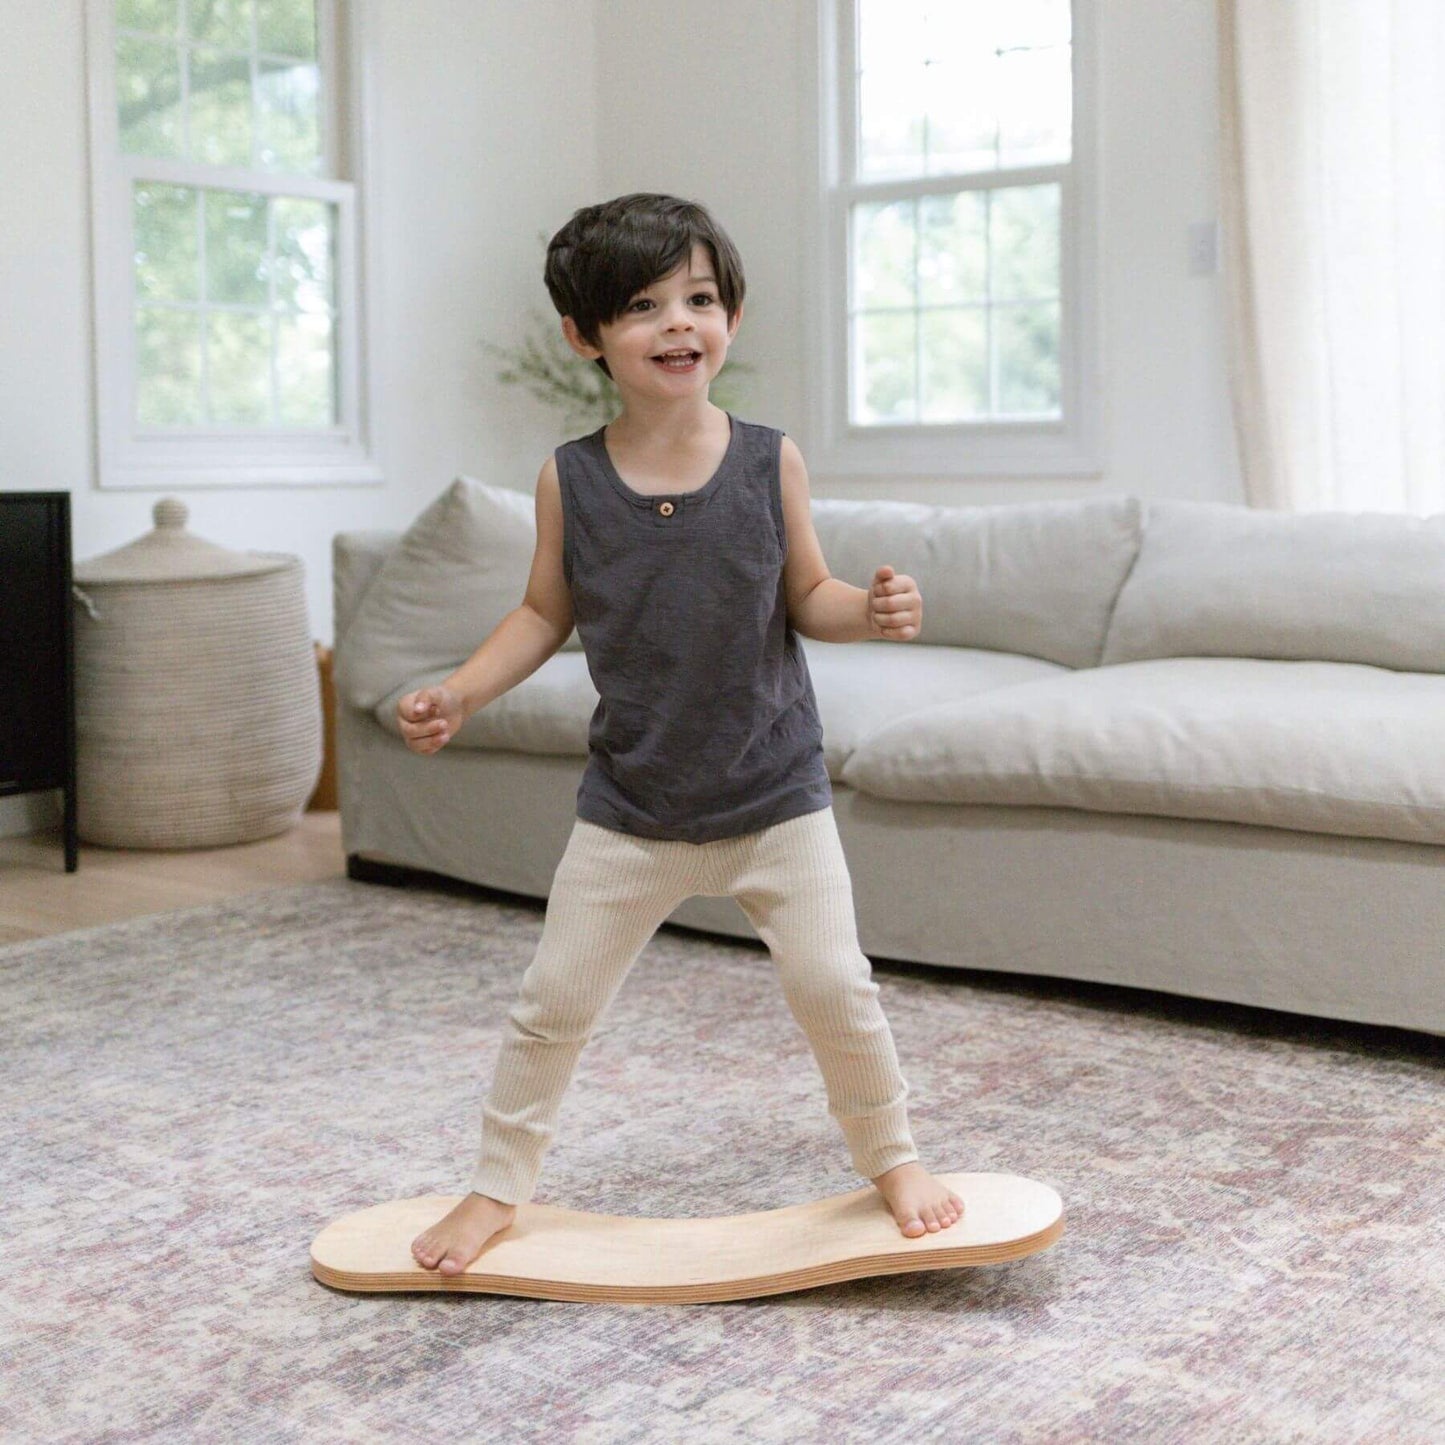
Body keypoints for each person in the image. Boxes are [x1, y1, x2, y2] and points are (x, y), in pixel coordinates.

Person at [401, 193, 963, 1277]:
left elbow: (810, 595)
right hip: (632, 807)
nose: (677, 324)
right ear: (584, 336)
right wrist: (463, 692)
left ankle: (891, 1159)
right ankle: (496, 1186)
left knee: (835, 991)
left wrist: (869, 608)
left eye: (699, 299)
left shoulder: (768, 461)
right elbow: (542, 613)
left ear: (731, 317)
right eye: (642, 306)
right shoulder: (569, 478)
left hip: (774, 796)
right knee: (551, 1004)